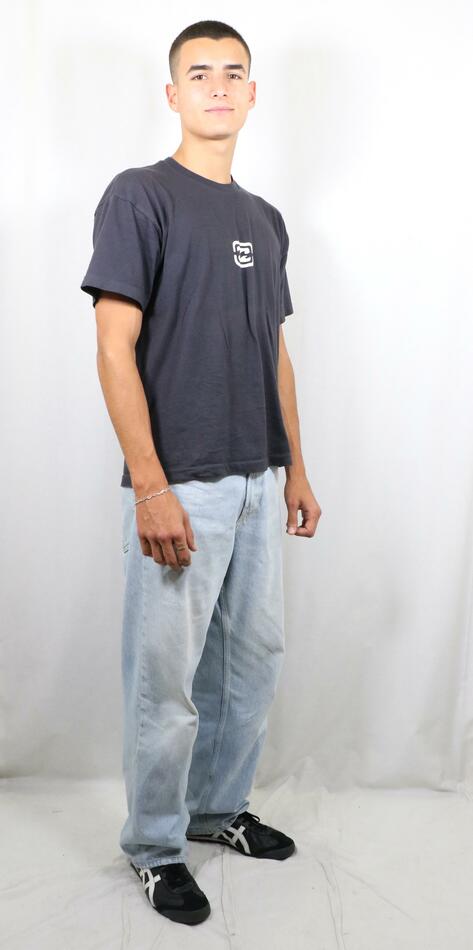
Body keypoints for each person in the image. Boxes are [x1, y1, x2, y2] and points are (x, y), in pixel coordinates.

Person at [80, 19, 321, 927]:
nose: (217, 86)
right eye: (199, 73)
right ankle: (153, 846)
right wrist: (151, 484)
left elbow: (273, 351)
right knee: (166, 680)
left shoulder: (264, 218)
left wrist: (295, 467)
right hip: (182, 479)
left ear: (252, 95)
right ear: (172, 94)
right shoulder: (139, 195)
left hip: (258, 474)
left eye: (233, 73)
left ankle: (216, 811)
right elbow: (113, 346)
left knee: (249, 666)